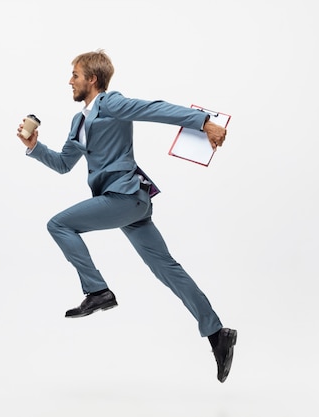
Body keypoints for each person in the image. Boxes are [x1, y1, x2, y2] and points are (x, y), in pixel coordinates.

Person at [16, 49, 237, 383]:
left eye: (74, 75)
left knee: (59, 224)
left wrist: (204, 123)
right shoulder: (79, 121)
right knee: (167, 269)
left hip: (124, 195)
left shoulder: (111, 103)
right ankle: (217, 332)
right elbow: (64, 163)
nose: (69, 81)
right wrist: (34, 146)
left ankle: (98, 291)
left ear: (92, 79)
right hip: (127, 205)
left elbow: (154, 109)